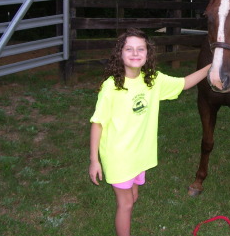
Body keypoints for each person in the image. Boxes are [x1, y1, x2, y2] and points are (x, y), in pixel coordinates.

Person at [88, 28, 211, 236]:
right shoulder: (111, 87)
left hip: (139, 155)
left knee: (133, 197)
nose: (135, 53)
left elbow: (184, 84)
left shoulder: (153, 80)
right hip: (118, 156)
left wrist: (210, 67)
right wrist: (94, 160)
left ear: (148, 53)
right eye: (129, 49)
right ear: (120, 53)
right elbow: (97, 123)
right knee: (125, 204)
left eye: (140, 49)